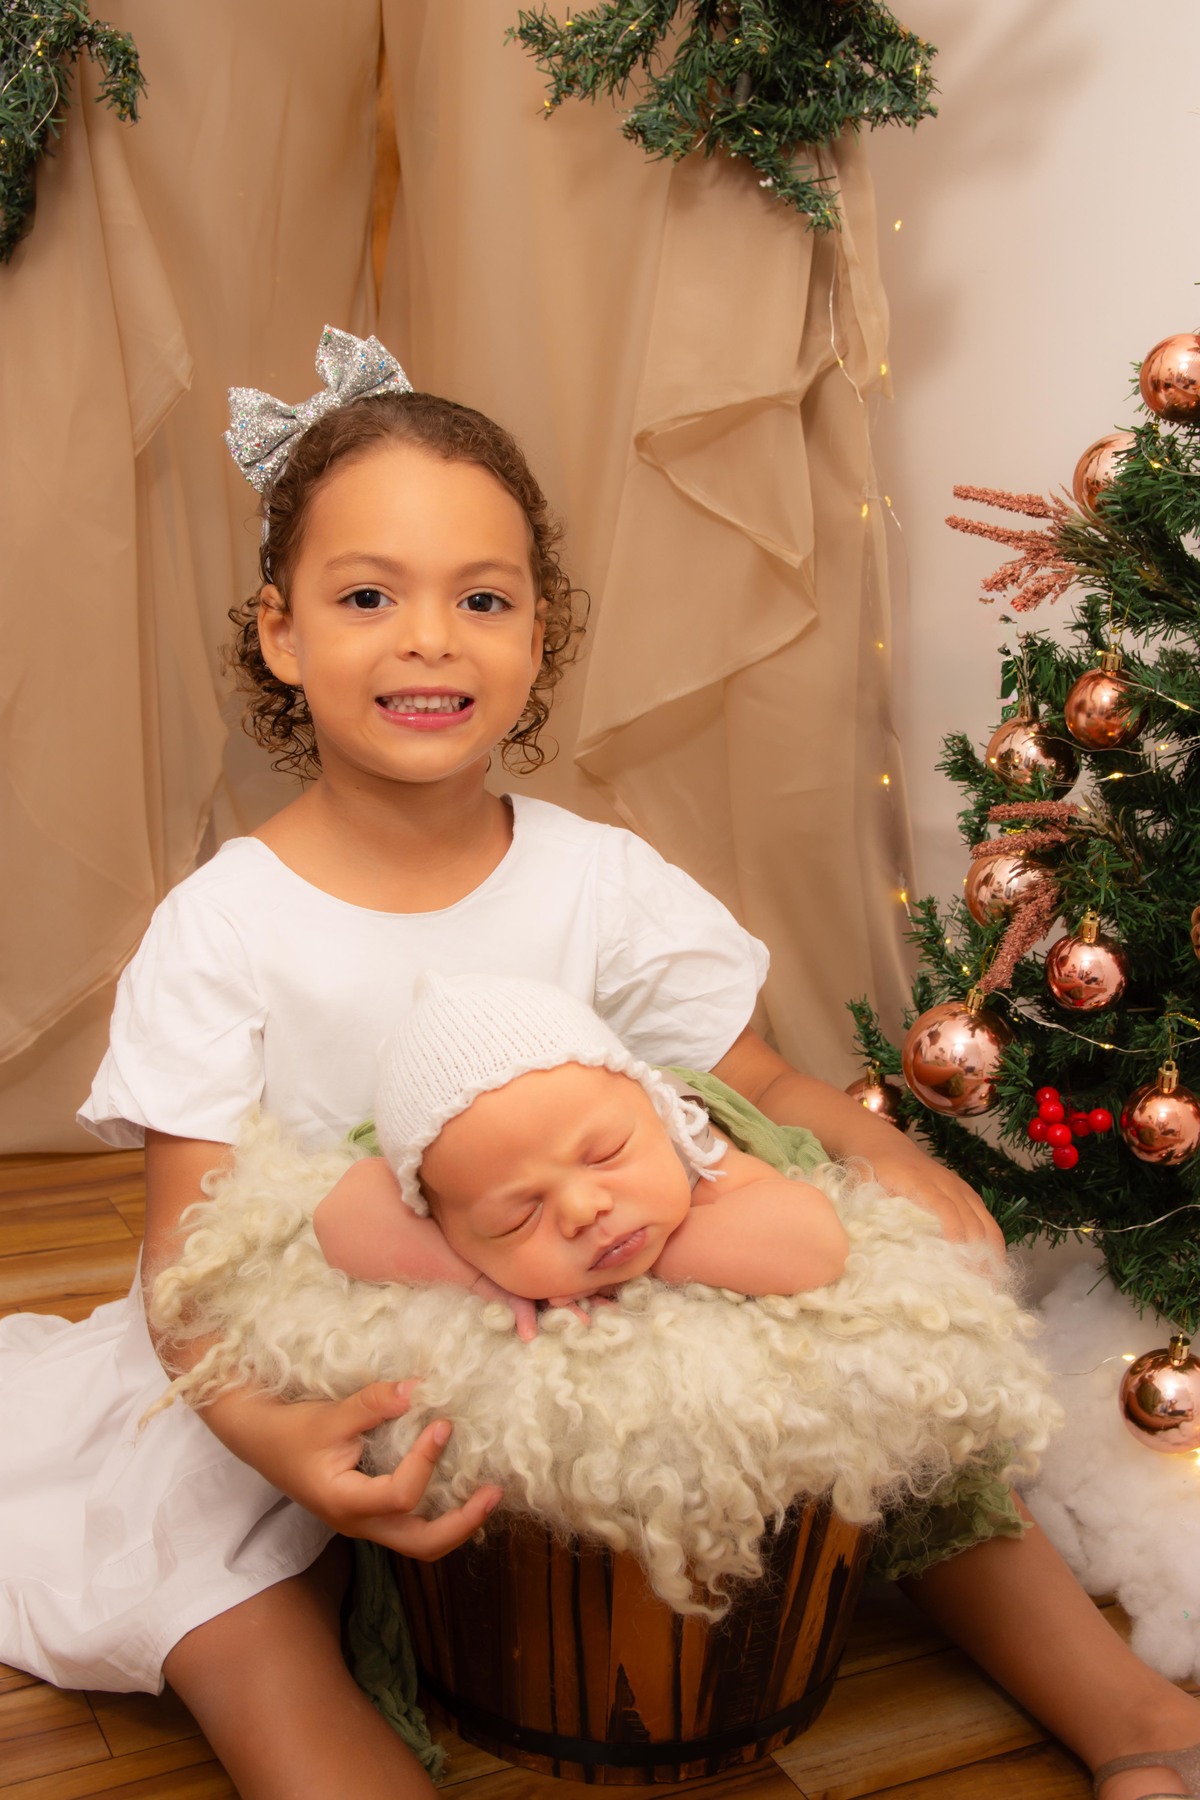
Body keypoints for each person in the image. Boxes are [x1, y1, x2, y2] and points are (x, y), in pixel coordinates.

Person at [0, 325, 1194, 1800]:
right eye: (367, 596)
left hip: (599, 1277)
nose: (429, 639)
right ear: (281, 633)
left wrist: (888, 1159)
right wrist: (270, 1433)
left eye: (482, 598)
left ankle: (1129, 1708)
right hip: (350, 1317)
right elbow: (194, 1268)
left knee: (896, 1432)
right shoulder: (229, 924)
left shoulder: (599, 882)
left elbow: (761, 1081)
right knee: (223, 1582)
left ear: (538, 636)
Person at [312, 969, 852, 1330]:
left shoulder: (681, 1133)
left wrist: (642, 1260)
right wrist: (480, 1281)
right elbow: (341, 1216)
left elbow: (813, 1243)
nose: (584, 1208)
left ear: (651, 1112)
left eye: (606, 1154)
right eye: (518, 1216)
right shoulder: (446, 1171)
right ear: (444, 1226)